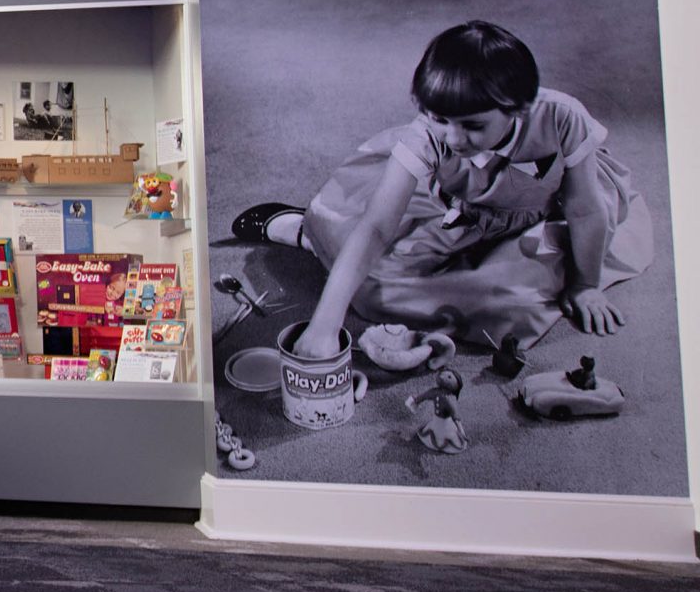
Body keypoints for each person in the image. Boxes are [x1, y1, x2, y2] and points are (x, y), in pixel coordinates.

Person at [236, 19, 654, 359]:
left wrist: (586, 285)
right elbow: (377, 228)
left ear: (518, 108)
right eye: (439, 119)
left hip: (548, 212)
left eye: (473, 125)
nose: (454, 138)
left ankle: (518, 271)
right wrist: (323, 326)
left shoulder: (562, 116)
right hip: (463, 209)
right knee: (375, 285)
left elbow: (584, 210)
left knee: (513, 306)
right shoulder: (427, 137)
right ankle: (308, 233)